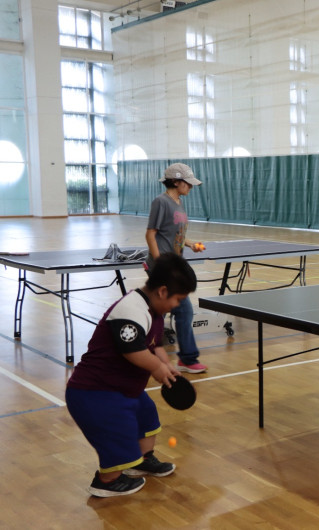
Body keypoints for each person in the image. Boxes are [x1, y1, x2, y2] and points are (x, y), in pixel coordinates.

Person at [66, 253, 197, 497]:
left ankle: (141, 461)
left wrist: (165, 364)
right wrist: (156, 369)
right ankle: (106, 481)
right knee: (118, 435)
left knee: (146, 416)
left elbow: (155, 345)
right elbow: (132, 349)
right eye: (178, 299)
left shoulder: (155, 312)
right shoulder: (130, 310)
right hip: (95, 392)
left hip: (123, 389)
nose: (178, 304)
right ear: (162, 291)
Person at [145, 163, 207, 373]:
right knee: (169, 312)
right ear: (176, 181)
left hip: (173, 265)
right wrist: (160, 263)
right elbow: (151, 234)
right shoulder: (160, 202)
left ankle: (184, 358)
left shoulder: (179, 203)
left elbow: (173, 234)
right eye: (188, 183)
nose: (191, 187)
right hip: (162, 266)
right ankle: (174, 357)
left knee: (180, 311)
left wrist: (190, 244)